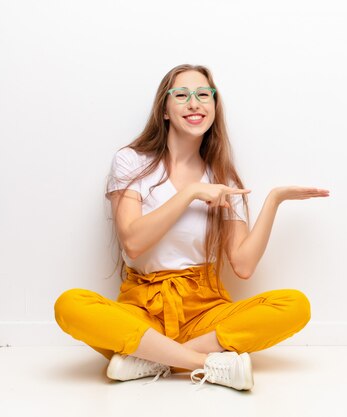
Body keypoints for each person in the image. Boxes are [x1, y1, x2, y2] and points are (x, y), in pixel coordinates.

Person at [54, 64, 330, 391]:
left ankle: (148, 357)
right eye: (182, 95)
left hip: (204, 313)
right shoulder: (132, 161)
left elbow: (243, 265)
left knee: (294, 305)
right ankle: (206, 362)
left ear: (214, 106)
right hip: (143, 309)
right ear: (165, 109)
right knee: (69, 305)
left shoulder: (223, 179)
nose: (194, 103)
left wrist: (273, 201)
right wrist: (190, 193)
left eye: (203, 95)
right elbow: (132, 243)